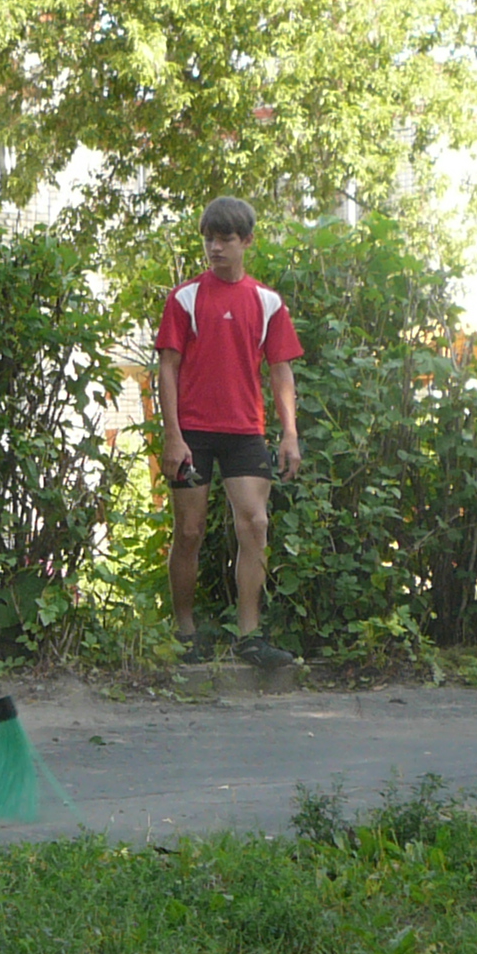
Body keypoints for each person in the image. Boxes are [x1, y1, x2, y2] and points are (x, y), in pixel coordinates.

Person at [155, 197, 304, 667]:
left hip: (245, 430)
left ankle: (249, 635)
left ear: (247, 242)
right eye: (209, 240)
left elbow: (281, 372)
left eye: (225, 239)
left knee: (255, 524)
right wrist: (173, 435)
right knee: (190, 531)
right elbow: (167, 368)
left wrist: (289, 435)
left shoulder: (267, 302)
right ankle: (185, 631)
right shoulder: (184, 298)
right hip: (193, 431)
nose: (215, 248)